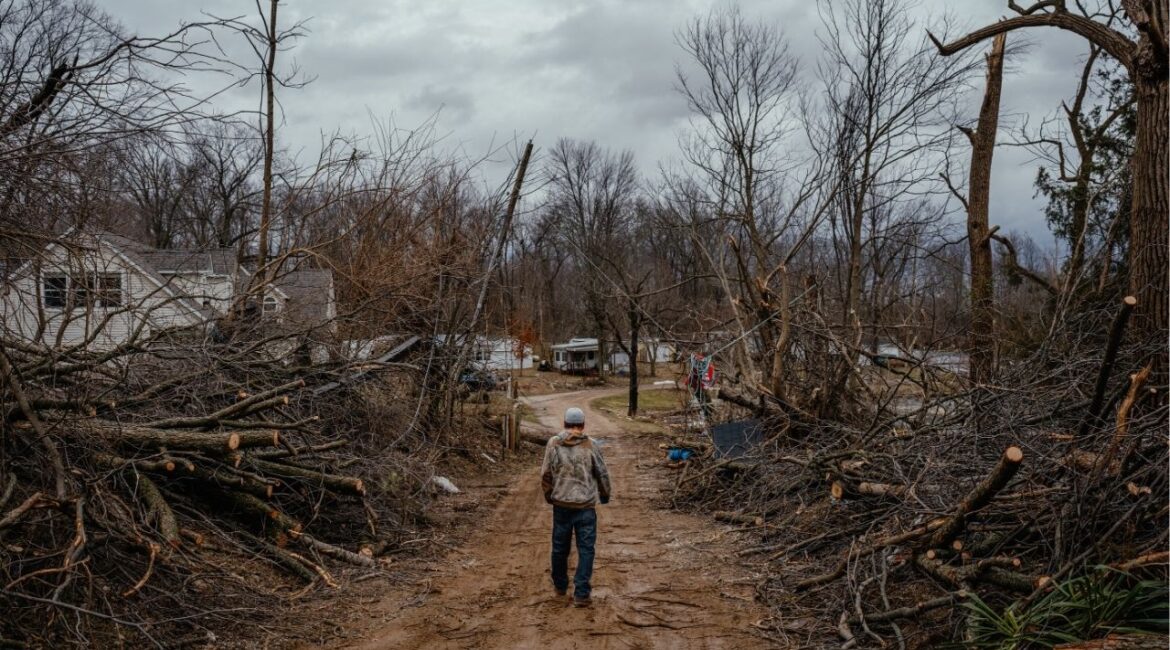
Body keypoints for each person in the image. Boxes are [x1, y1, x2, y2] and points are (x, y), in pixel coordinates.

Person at [540, 406, 612, 607]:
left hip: (561, 504)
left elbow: (545, 473)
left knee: (559, 548)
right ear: (582, 425)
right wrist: (604, 495)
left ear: (564, 424)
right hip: (585, 507)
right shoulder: (591, 445)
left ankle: (561, 586)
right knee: (586, 549)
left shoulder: (553, 443)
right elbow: (602, 473)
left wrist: (550, 496)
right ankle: (581, 593)